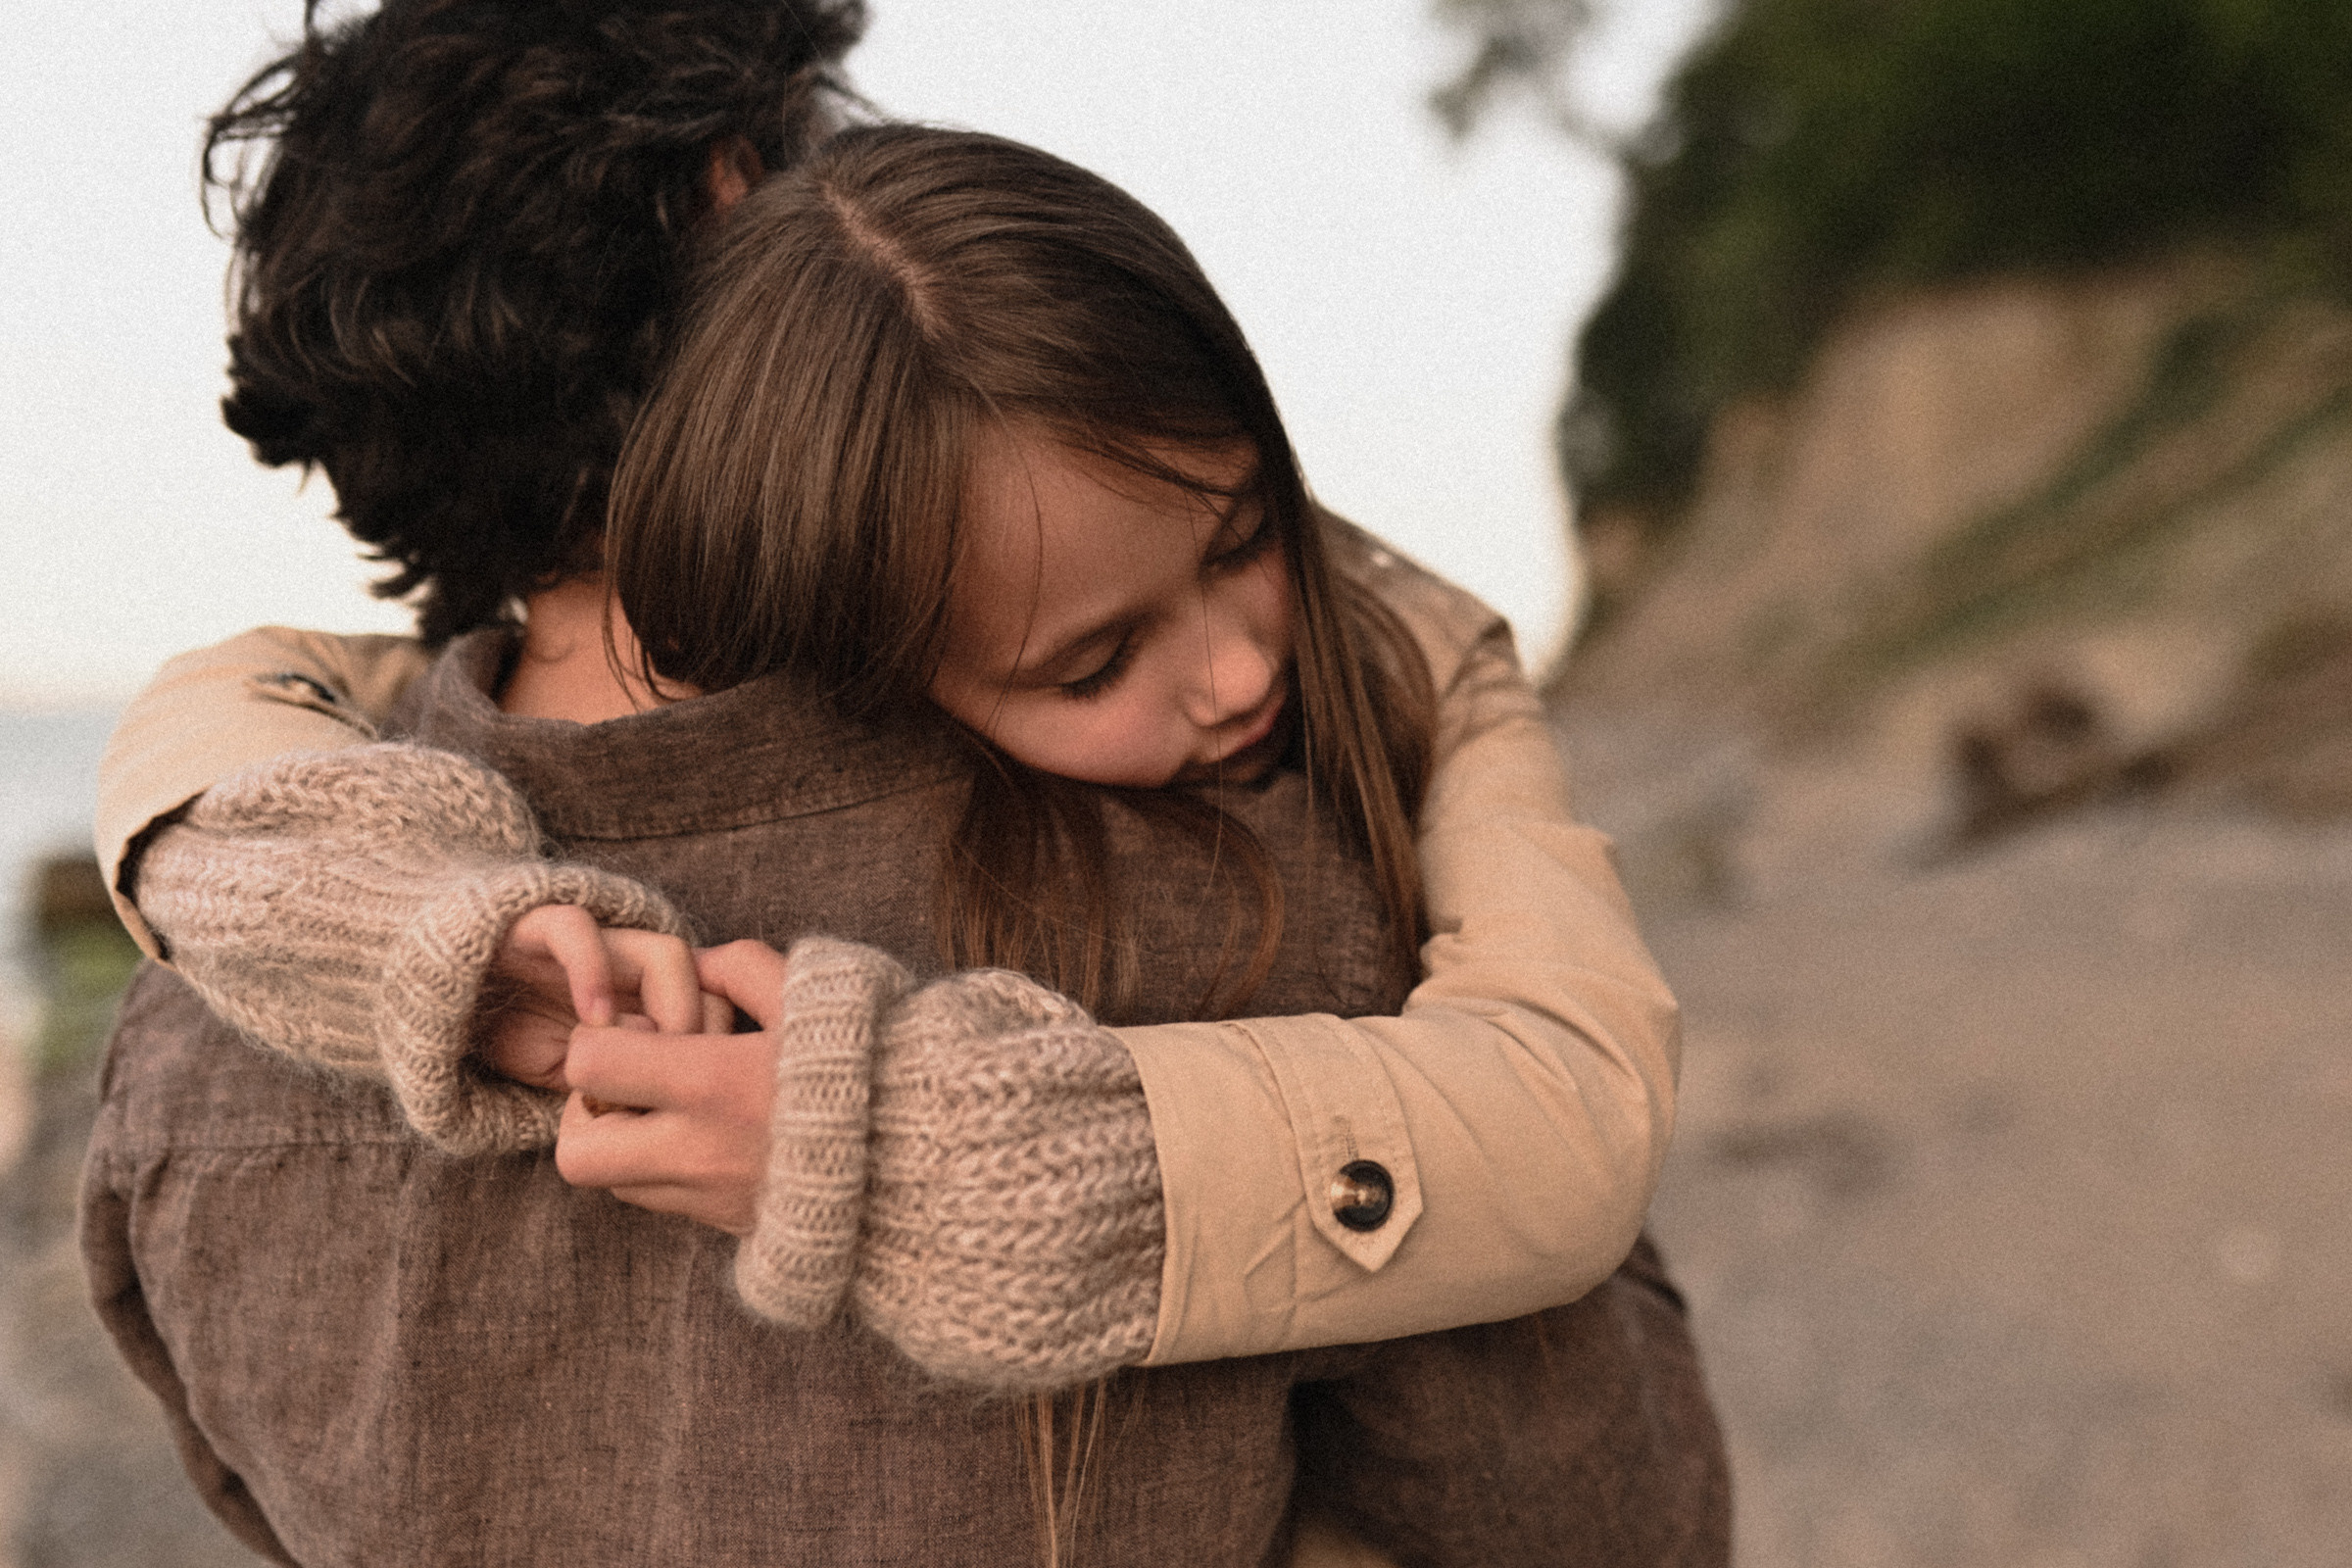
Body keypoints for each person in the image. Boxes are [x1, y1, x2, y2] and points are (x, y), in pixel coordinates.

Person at [82, 1, 1726, 1559]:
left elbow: (257, 1502)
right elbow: (1610, 1521)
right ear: (769, 255)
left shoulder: (183, 1040)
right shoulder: (1216, 899)